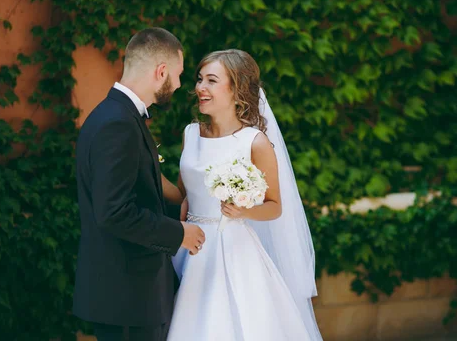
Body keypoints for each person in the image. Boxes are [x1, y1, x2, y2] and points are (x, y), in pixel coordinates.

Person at [166, 49, 323, 340]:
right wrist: (148, 167)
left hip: (233, 249)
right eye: (200, 79)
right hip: (190, 245)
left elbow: (275, 206)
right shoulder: (190, 133)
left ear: (237, 90)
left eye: (212, 80)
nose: (200, 87)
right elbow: (182, 194)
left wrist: (244, 211)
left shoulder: (255, 143)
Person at [73, 27, 206, 341]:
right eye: (178, 74)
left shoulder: (118, 116)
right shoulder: (118, 124)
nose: (179, 84)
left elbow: (140, 193)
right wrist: (179, 234)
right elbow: (114, 212)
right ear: (161, 72)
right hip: (127, 299)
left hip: (130, 297)